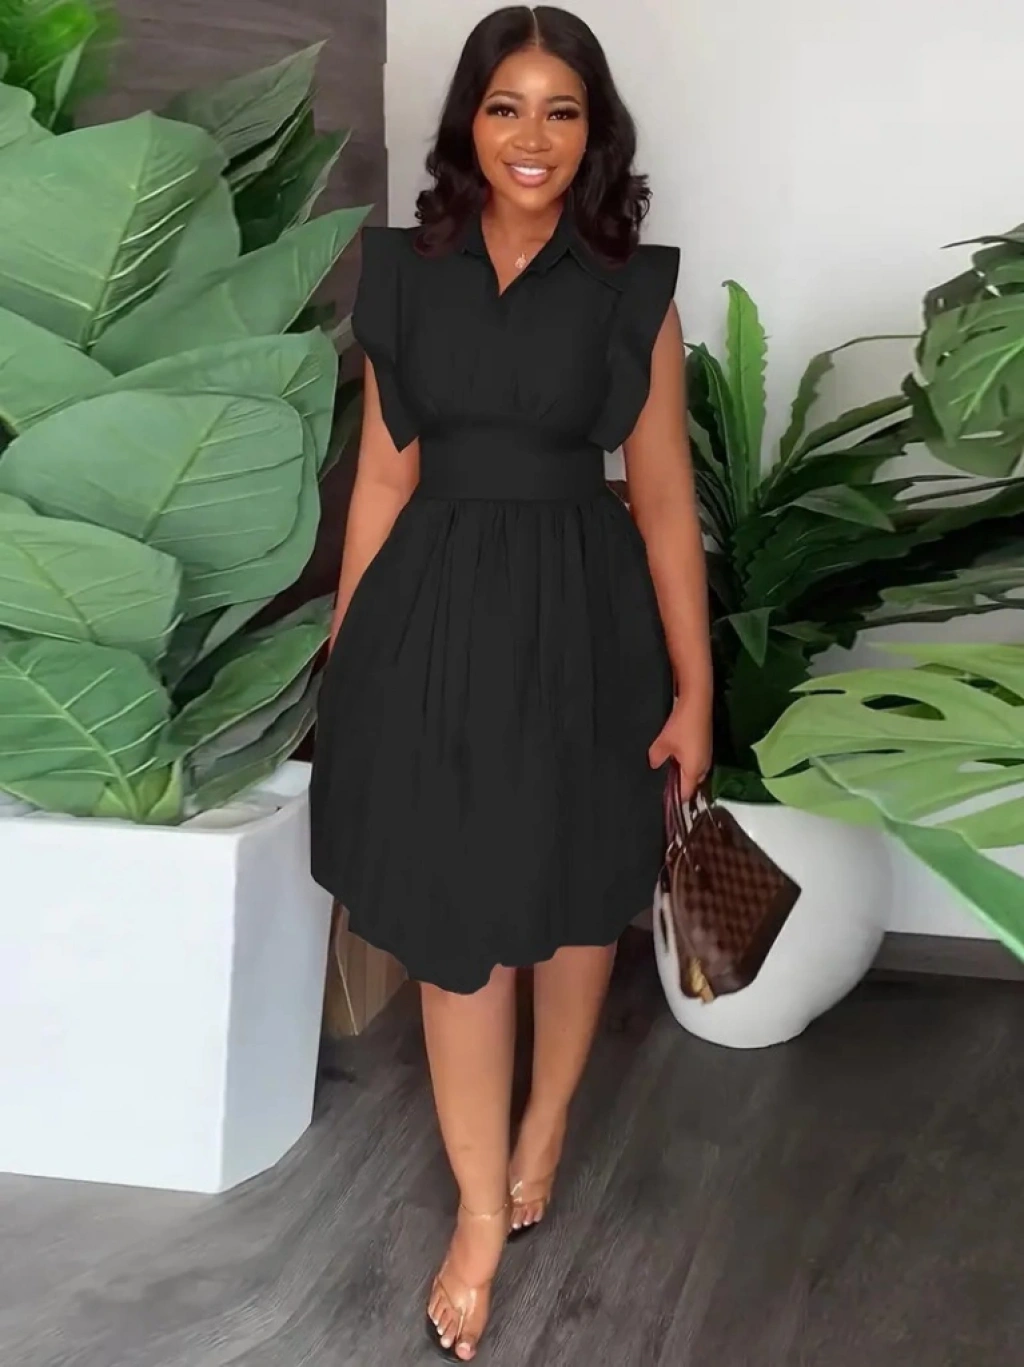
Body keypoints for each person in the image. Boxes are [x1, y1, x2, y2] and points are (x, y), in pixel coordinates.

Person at [310, 5, 712, 1359]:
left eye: (561, 110)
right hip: (430, 612)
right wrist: (353, 649)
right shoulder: (403, 275)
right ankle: (480, 1213)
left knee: (578, 893)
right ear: (466, 123)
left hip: (586, 616)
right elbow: (383, 477)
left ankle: (546, 1123)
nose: (531, 137)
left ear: (595, 133)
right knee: (454, 912)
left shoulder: (630, 290)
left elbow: (666, 505)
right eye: (504, 106)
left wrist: (695, 691)